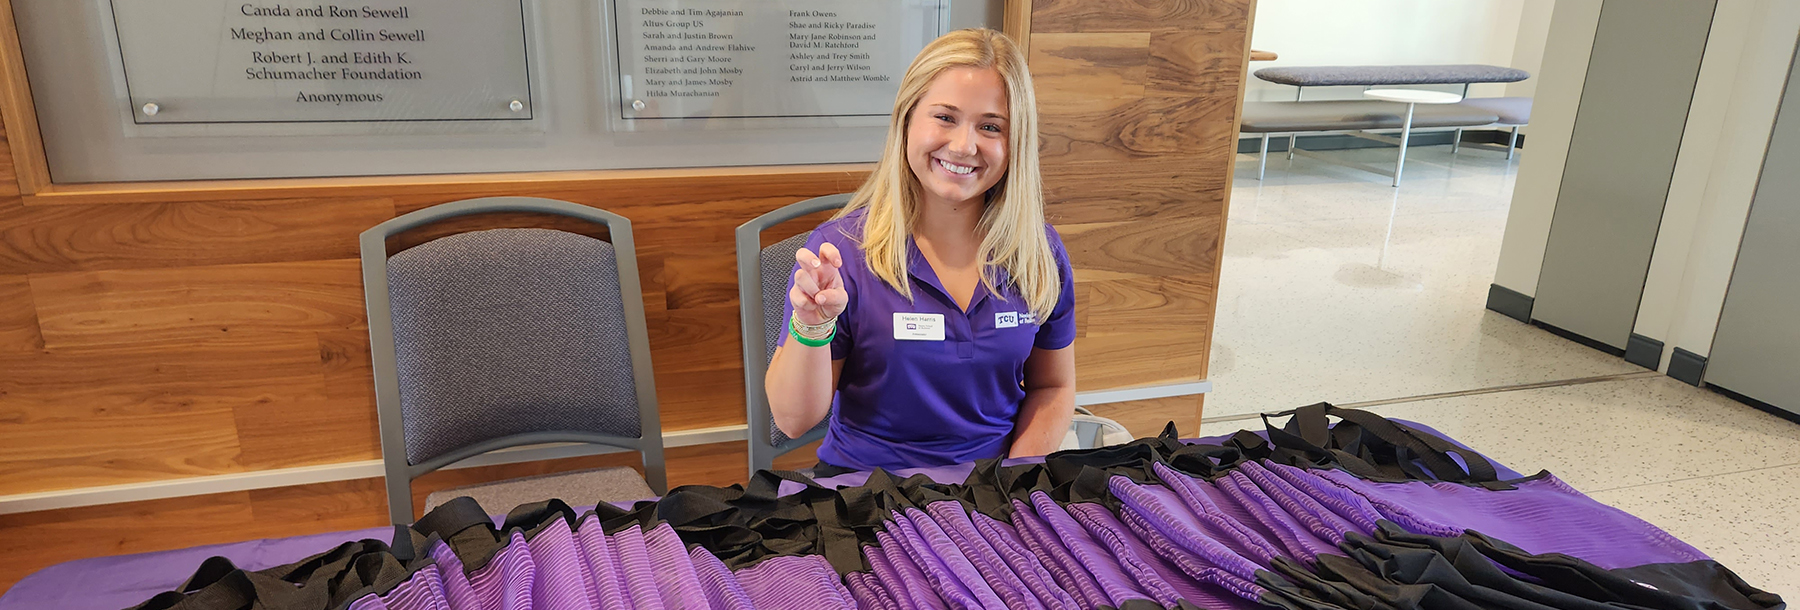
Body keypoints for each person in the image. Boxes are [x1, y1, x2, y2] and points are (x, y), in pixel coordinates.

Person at [764, 28, 1076, 473]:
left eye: (990, 127)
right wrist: (812, 325)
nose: (964, 145)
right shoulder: (842, 251)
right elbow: (794, 421)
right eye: (945, 117)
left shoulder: (1039, 251)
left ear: (1015, 143)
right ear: (907, 119)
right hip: (866, 494)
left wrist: (1015, 483)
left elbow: (1053, 388)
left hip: (991, 490)